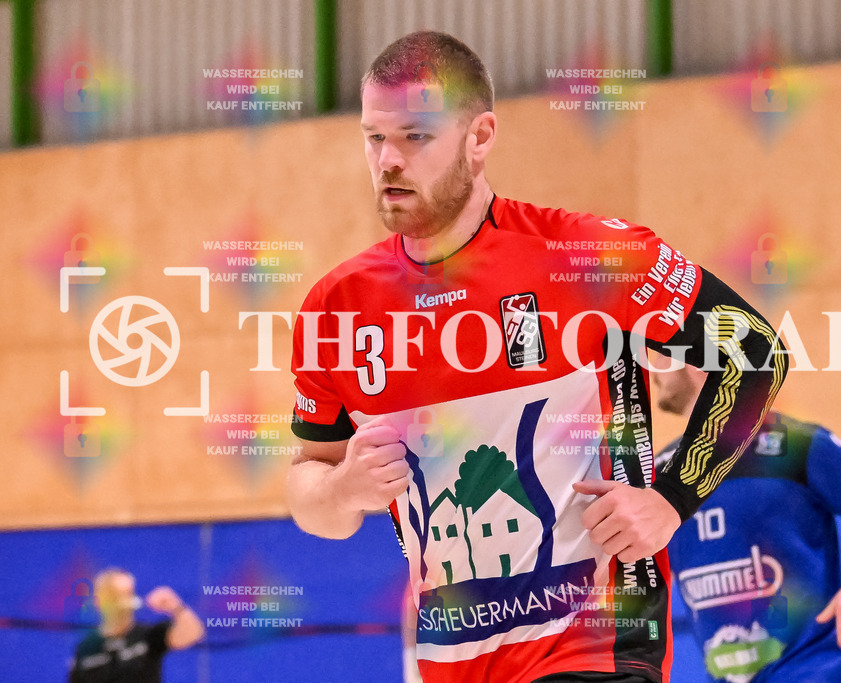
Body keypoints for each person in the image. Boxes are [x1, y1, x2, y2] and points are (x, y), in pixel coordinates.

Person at [286, 30, 787, 683]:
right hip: (453, 656)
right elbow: (309, 489)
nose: (389, 160)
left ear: (480, 136)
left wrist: (671, 497)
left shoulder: (588, 255)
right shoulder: (337, 305)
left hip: (597, 637)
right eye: (375, 137)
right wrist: (342, 488)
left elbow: (753, 352)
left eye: (416, 136)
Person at [652, 364, 841, 682]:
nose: (655, 370)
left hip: (811, 671)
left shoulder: (799, 446)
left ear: (697, 364)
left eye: (663, 356)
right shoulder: (663, 473)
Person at [68, 567, 205, 682]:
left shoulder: (148, 635)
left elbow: (193, 633)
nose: (121, 601)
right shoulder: (86, 648)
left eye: (127, 593)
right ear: (99, 601)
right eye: (114, 596)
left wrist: (175, 607)